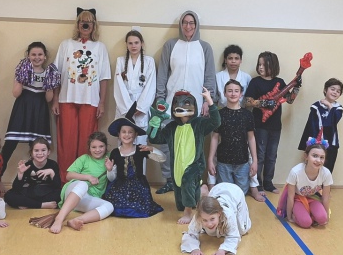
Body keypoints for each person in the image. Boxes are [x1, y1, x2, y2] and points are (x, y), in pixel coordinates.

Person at [154, 11, 217, 194]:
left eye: (192, 23)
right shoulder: (171, 45)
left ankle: (192, 180)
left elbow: (209, 76)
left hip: (195, 106)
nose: (188, 26)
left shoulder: (205, 47)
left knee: (193, 144)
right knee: (168, 143)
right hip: (171, 103)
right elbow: (162, 74)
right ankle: (169, 179)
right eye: (185, 22)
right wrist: (160, 99)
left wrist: (207, 101)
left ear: (196, 25)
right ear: (180, 25)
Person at [52, 8, 111, 180]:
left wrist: (101, 103)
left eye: (89, 22)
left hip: (90, 101)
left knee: (88, 142)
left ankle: (86, 181)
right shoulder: (66, 45)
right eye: (82, 22)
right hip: (66, 99)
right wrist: (55, 100)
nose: (85, 25)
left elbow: (104, 77)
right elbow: (57, 74)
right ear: (78, 25)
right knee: (67, 142)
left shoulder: (100, 47)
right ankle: (65, 181)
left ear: (94, 25)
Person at [149, 88, 220, 224]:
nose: (181, 106)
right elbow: (155, 138)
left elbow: (216, 122)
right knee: (180, 201)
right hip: (177, 166)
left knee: (187, 180)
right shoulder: (171, 127)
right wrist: (155, 123)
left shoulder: (199, 124)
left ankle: (188, 213)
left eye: (186, 103)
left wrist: (209, 101)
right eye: (177, 103)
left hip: (195, 164)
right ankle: (201, 192)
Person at [244, 51, 300, 194]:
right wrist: (263, 103)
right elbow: (247, 102)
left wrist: (297, 87)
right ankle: (257, 184)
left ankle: (268, 182)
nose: (260, 67)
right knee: (260, 155)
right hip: (259, 125)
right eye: (259, 64)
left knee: (272, 156)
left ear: (272, 65)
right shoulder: (255, 82)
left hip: (275, 126)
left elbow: (290, 100)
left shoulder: (280, 82)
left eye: (264, 65)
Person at [1, 42, 60, 174]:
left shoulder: (49, 73)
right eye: (33, 54)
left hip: (40, 110)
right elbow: (16, 93)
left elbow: (48, 99)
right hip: (22, 109)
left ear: (45, 56)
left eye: (40, 54)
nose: (37, 57)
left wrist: (49, 84)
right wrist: (22, 77)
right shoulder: (22, 70)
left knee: (38, 147)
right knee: (9, 146)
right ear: (28, 55)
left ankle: (36, 179)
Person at [102, 105, 164, 217]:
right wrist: (110, 170)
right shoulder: (115, 152)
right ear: (119, 135)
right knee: (115, 207)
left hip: (138, 187)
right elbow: (112, 178)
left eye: (130, 132)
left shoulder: (141, 149)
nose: (127, 135)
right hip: (120, 187)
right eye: (123, 132)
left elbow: (162, 158)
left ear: (135, 134)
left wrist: (151, 149)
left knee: (141, 208)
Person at [49, 131, 113, 233]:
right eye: (94, 147)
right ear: (89, 148)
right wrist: (88, 177)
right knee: (83, 185)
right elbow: (69, 175)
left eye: (101, 146)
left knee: (109, 206)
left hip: (86, 199)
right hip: (72, 192)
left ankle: (76, 220)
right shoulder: (84, 158)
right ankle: (59, 219)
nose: (97, 150)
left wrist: (110, 169)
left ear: (106, 146)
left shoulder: (109, 158)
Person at [208, 80, 258, 197]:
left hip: (242, 162)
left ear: (241, 94)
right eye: (230, 91)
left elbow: (251, 138)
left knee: (240, 194)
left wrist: (255, 161)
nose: (233, 94)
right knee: (225, 194)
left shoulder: (247, 115)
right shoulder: (219, 114)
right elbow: (214, 138)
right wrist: (210, 160)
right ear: (224, 93)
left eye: (236, 91)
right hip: (223, 162)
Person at [180, 182, 252, 255]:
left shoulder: (228, 216)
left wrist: (223, 250)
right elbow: (191, 234)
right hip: (216, 190)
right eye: (205, 220)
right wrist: (194, 249)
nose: (209, 224)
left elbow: (233, 236)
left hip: (235, 193)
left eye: (212, 219)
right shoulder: (198, 217)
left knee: (242, 230)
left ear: (219, 213)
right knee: (205, 227)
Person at [113, 30, 156, 146]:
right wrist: (128, 109)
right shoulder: (120, 61)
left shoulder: (149, 61)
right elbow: (118, 86)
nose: (133, 46)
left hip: (141, 106)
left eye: (136, 43)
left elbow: (151, 86)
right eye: (130, 43)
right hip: (124, 106)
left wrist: (142, 107)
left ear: (142, 43)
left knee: (140, 144)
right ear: (126, 44)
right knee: (124, 140)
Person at [277, 142, 332, 229]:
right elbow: (290, 197)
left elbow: (325, 197)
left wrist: (326, 216)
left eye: (322, 157)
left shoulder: (326, 173)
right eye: (315, 156)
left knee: (322, 219)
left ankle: (309, 212)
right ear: (306, 156)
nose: (318, 160)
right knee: (306, 223)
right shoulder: (296, 172)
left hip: (313, 197)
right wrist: (289, 216)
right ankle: (298, 212)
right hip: (297, 198)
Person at [298, 78, 343, 172]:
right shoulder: (316, 106)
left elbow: (334, 120)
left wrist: (330, 106)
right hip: (316, 141)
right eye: (332, 89)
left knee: (327, 168)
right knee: (313, 167)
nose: (335, 92)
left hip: (331, 143)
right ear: (325, 90)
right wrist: (309, 143)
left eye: (338, 91)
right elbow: (310, 125)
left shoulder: (338, 108)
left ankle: (325, 182)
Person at [3, 137, 62, 209]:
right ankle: (41, 205)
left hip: (46, 192)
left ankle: (28, 204)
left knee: (61, 194)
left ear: (48, 152)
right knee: (8, 196)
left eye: (43, 150)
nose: (40, 153)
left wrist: (51, 172)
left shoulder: (53, 164)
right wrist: (20, 173)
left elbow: (57, 186)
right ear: (31, 153)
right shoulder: (27, 165)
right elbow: (16, 188)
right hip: (31, 192)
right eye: (36, 150)